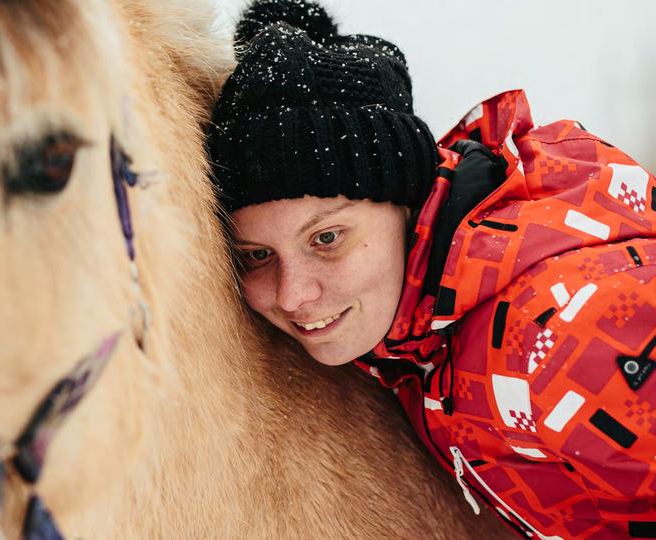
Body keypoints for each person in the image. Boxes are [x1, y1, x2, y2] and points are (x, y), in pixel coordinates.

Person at [207, 1, 656, 537]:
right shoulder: (418, 330)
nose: (294, 294)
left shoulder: (565, 335)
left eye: (327, 238)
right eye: (258, 255)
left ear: (406, 204)